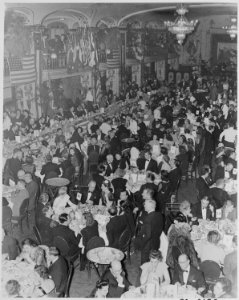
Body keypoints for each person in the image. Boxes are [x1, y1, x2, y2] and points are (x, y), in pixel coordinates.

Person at [134, 199, 164, 264]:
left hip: (147, 246)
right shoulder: (159, 215)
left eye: (146, 205)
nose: (144, 206)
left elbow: (148, 235)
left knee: (145, 264)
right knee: (153, 262)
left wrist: (141, 244)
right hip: (156, 242)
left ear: (150, 207)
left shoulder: (148, 219)